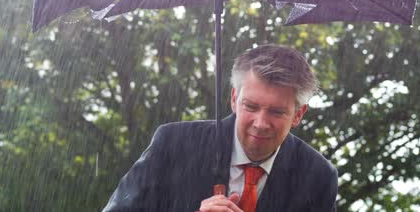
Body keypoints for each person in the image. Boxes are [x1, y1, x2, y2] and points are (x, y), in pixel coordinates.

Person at [103, 44, 337, 211]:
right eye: (251, 106)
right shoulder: (174, 144)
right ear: (234, 98)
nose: (261, 123)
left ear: (298, 114)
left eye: (276, 112)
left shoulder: (318, 175)